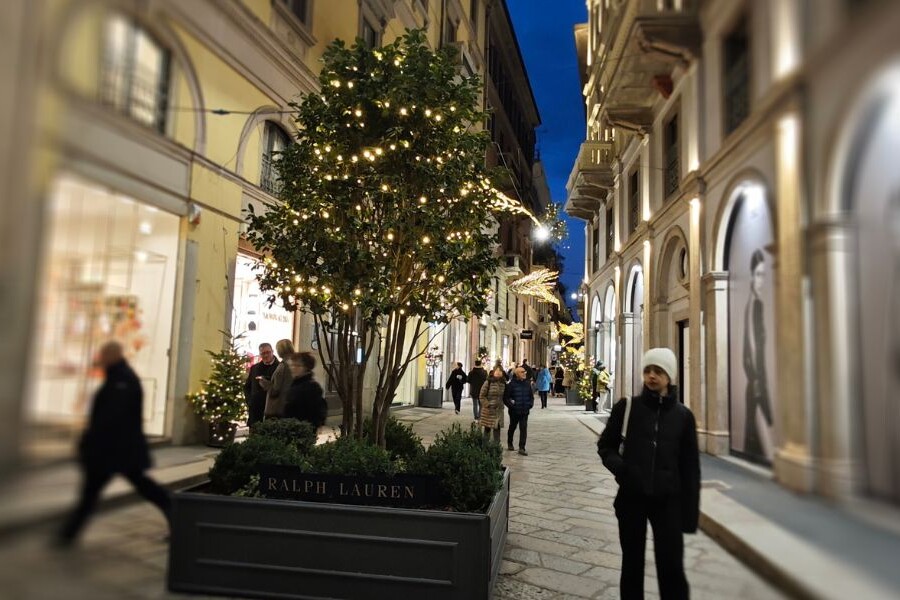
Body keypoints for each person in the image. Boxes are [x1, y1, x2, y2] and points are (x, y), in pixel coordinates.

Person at [596, 347, 700, 600]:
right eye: (648, 370)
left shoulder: (683, 416)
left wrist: (689, 516)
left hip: (669, 502)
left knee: (672, 567)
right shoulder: (627, 407)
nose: (652, 376)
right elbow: (605, 446)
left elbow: (690, 468)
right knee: (632, 565)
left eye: (659, 371)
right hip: (632, 499)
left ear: (670, 376)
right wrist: (622, 469)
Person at [57, 341, 171, 546]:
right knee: (97, 491)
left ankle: (68, 534)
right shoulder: (119, 377)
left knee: (137, 487)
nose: (100, 360)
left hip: (117, 449)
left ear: (112, 356)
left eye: (103, 356)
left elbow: (111, 418)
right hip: (116, 449)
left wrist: (90, 442)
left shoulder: (123, 380)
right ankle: (68, 534)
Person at [743, 249, 773, 458]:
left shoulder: (754, 304)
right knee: (759, 440)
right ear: (752, 277)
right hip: (757, 388)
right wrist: (760, 387)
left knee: (754, 441)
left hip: (756, 386)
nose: (762, 280)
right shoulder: (755, 306)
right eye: (759, 275)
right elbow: (752, 352)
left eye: (764, 274)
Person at [283, 352, 327, 429]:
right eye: (292, 365)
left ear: (306, 367)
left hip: (302, 429)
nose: (293, 368)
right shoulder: (295, 383)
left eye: (297, 365)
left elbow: (316, 411)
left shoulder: (311, 386)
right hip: (291, 427)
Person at [244, 342, 279, 426]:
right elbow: (247, 387)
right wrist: (250, 401)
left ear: (272, 351)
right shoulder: (255, 368)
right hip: (255, 412)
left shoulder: (279, 368)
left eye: (268, 352)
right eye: (263, 353)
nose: (266, 355)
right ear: (260, 354)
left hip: (272, 412)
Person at [261, 339, 295, 419]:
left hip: (277, 408)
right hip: (289, 405)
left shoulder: (283, 366)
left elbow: (275, 390)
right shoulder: (295, 363)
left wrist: (263, 382)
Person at [503, 366, 534, 456]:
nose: (525, 373)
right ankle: (510, 443)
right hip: (514, 411)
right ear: (517, 374)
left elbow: (531, 396)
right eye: (522, 372)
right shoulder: (511, 385)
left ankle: (522, 447)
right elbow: (506, 398)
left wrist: (530, 405)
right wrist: (512, 406)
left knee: (523, 429)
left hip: (525, 410)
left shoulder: (527, 384)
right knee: (512, 427)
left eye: (525, 372)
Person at [478, 365, 507, 443]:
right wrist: (487, 404)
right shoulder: (488, 382)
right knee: (487, 429)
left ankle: (496, 448)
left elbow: (505, 396)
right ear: (493, 372)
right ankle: (485, 448)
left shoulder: (503, 383)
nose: (498, 372)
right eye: (496, 370)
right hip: (489, 410)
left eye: (500, 371)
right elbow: (481, 395)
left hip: (498, 410)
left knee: (497, 429)